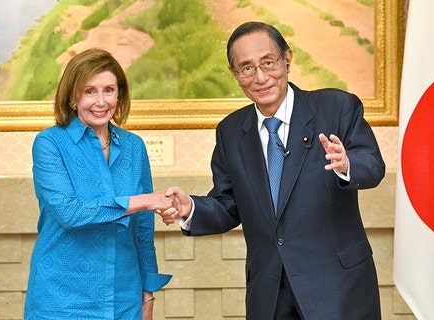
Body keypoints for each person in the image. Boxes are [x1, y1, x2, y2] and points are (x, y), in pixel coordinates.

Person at [159, 22, 385, 319]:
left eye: (268, 63)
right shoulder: (231, 131)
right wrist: (190, 209)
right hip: (270, 294)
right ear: (235, 74)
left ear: (287, 59)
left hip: (338, 289)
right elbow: (228, 205)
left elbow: (373, 165)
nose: (261, 77)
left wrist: (347, 165)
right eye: (247, 68)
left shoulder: (336, 107)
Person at [24, 48, 173, 320]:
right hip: (61, 299)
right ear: (72, 96)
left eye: (109, 90)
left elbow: (143, 230)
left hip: (124, 298)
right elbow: (71, 213)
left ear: (119, 94)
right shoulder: (50, 144)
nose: (101, 101)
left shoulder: (134, 147)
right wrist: (145, 200)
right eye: (89, 91)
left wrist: (148, 291)